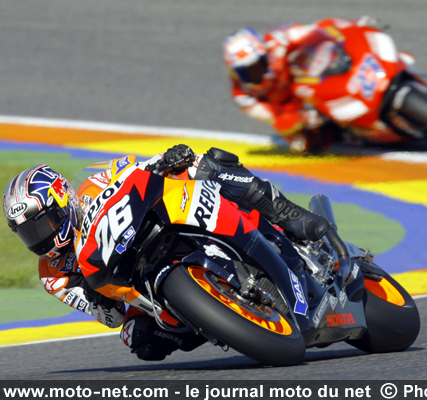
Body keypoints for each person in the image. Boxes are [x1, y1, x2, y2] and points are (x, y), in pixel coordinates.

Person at [3, 144, 331, 361]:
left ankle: (287, 214)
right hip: (135, 286)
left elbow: (135, 169)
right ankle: (216, 319)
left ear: (63, 202)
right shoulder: (53, 274)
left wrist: (165, 160)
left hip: (158, 221)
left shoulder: (94, 182)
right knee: (137, 339)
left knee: (206, 163)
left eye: (44, 224)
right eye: (30, 233)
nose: (40, 238)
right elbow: (110, 318)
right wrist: (99, 300)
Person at [223, 17, 375, 152]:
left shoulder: (279, 40)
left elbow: (318, 29)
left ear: (265, 52)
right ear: (235, 72)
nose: (256, 72)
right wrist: (302, 118)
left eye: (259, 64)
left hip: (310, 78)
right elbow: (275, 119)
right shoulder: (242, 95)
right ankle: (348, 134)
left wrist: (354, 26)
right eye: (246, 71)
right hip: (293, 108)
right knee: (302, 145)